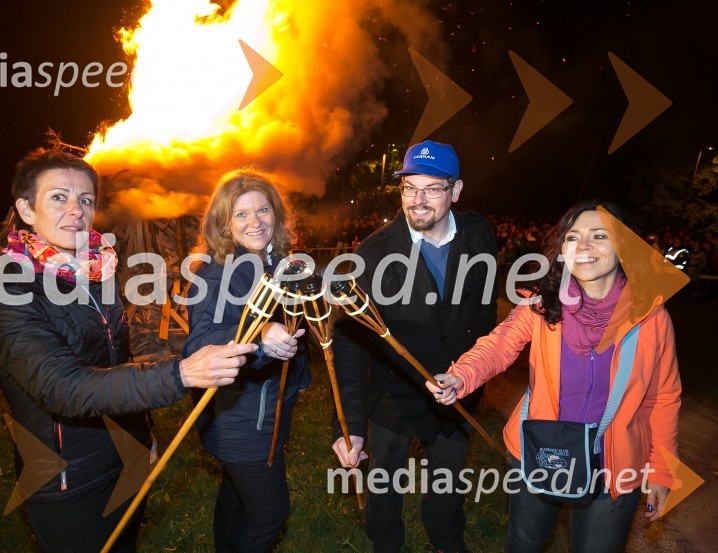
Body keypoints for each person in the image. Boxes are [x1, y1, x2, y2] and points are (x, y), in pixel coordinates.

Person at [0, 148, 256, 553]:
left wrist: (141, 432)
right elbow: (65, 388)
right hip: (66, 477)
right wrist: (180, 373)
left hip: (125, 456)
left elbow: (116, 360)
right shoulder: (10, 291)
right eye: (58, 197)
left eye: (85, 199)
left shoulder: (96, 271)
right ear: (25, 209)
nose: (76, 210)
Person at [427, 201, 681, 552]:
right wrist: (461, 375)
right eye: (573, 237)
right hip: (539, 451)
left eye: (600, 236)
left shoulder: (651, 317)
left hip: (613, 464)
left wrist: (662, 470)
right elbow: (499, 345)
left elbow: (664, 397)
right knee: (525, 544)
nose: (584, 245)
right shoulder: (541, 304)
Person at [332, 141, 498, 552]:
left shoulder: (479, 235)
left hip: (456, 396)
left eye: (432, 188)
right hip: (393, 397)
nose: (418, 200)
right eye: (410, 188)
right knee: (383, 490)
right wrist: (350, 426)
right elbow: (350, 345)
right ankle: (386, 543)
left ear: (455, 190)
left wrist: (471, 375)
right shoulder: (373, 253)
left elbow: (484, 315)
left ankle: (447, 540)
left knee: (447, 487)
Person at [182, 168, 310, 553]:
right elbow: (199, 344)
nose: (255, 222)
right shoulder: (216, 275)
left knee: (237, 496)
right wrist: (259, 337)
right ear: (223, 223)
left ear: (277, 214)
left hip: (265, 409)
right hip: (241, 421)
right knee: (269, 513)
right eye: (241, 214)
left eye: (262, 210)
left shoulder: (274, 262)